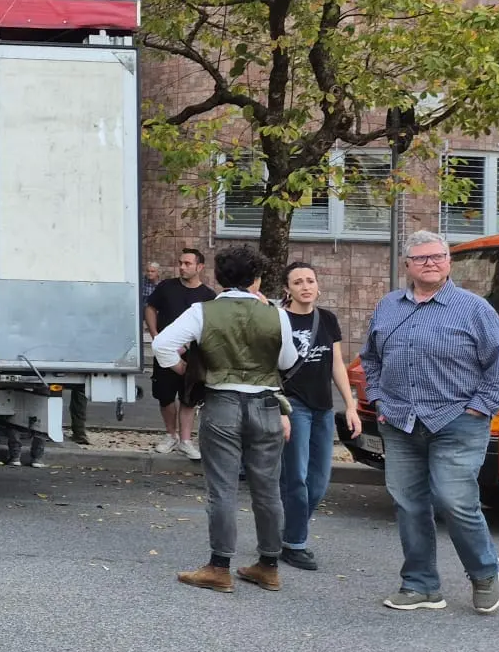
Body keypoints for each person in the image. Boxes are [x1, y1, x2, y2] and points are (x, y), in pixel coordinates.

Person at [361, 231, 499, 614]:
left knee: (454, 500)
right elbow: (371, 359)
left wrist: (478, 410)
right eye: (422, 258)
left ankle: (484, 571)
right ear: (408, 266)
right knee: (409, 505)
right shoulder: (387, 307)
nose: (431, 262)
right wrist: (378, 398)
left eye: (439, 256)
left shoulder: (474, 309)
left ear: (448, 261)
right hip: (399, 422)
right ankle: (420, 585)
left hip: (458, 421)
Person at [153, 245, 298, 594]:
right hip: (265, 405)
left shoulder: (202, 311)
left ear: (218, 277)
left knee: (222, 488)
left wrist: (185, 369)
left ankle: (220, 566)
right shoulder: (277, 314)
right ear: (257, 279)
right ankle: (268, 565)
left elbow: (161, 345)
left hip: (221, 403)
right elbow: (287, 360)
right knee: (267, 489)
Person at [275, 261, 362, 572]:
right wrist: (279, 407)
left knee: (319, 480)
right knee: (295, 477)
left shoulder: (327, 319)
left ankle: (285, 530)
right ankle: (294, 543)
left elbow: (336, 364)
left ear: (318, 285)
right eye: (297, 282)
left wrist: (350, 405)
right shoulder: (280, 319)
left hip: (322, 408)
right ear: (288, 289)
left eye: (310, 280)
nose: (305, 286)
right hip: (293, 406)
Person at [144, 249, 216, 458]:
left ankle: (185, 440)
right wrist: (156, 335)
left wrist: (188, 346)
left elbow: (210, 326)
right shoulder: (166, 287)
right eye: (180, 263)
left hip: (192, 354)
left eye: (187, 263)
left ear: (199, 267)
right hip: (165, 351)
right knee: (165, 395)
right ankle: (171, 435)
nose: (182, 267)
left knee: (189, 397)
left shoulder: (208, 296)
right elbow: (150, 308)